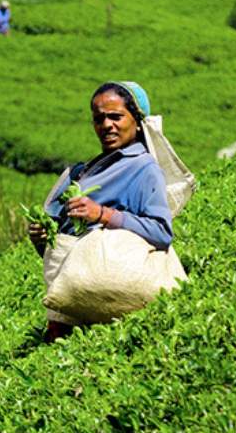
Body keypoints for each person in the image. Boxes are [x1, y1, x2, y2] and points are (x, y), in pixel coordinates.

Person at [27, 81, 173, 342]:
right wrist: (41, 238)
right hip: (69, 304)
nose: (107, 125)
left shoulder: (143, 168)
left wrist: (103, 214)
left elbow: (161, 232)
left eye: (116, 117)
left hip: (109, 303)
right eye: (99, 119)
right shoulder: (83, 172)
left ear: (137, 122)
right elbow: (65, 244)